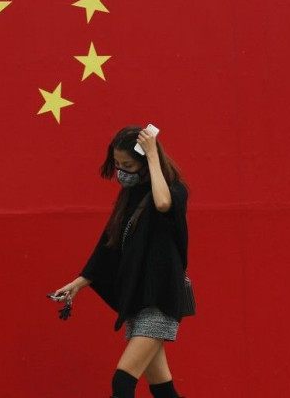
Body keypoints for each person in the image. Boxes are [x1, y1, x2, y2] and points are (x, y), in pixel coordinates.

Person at [53, 126, 190, 398]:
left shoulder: (174, 189)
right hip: (138, 302)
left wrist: (152, 154)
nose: (121, 171)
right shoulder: (132, 196)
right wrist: (78, 284)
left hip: (160, 299)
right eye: (117, 164)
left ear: (145, 162)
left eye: (127, 165)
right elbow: (110, 246)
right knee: (164, 390)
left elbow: (164, 204)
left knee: (122, 382)